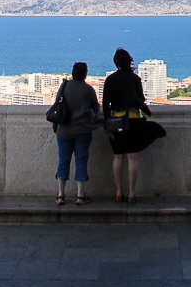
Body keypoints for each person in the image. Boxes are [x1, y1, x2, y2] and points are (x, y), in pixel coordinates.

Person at [102, 47, 166, 203]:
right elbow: (141, 100)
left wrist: (107, 126)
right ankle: (131, 193)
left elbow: (105, 105)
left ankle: (118, 192)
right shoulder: (135, 79)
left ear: (115, 63)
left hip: (117, 121)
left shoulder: (110, 80)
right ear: (129, 61)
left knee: (118, 157)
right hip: (134, 120)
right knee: (132, 158)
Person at [53, 62, 100, 206]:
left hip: (64, 130)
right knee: (81, 161)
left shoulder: (64, 86)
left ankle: (61, 194)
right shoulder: (88, 90)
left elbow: (57, 104)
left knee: (63, 160)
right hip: (82, 130)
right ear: (85, 73)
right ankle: (80, 195)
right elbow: (96, 108)